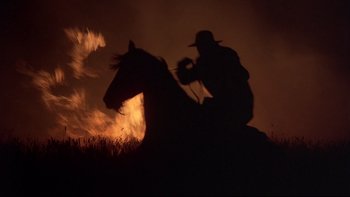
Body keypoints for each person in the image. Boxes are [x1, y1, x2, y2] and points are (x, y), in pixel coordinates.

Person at [176, 30, 254, 133]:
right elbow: (245, 74)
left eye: (201, 46)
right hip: (242, 105)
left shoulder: (207, 61)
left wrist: (181, 67)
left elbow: (185, 79)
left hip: (234, 106)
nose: (199, 50)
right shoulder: (225, 54)